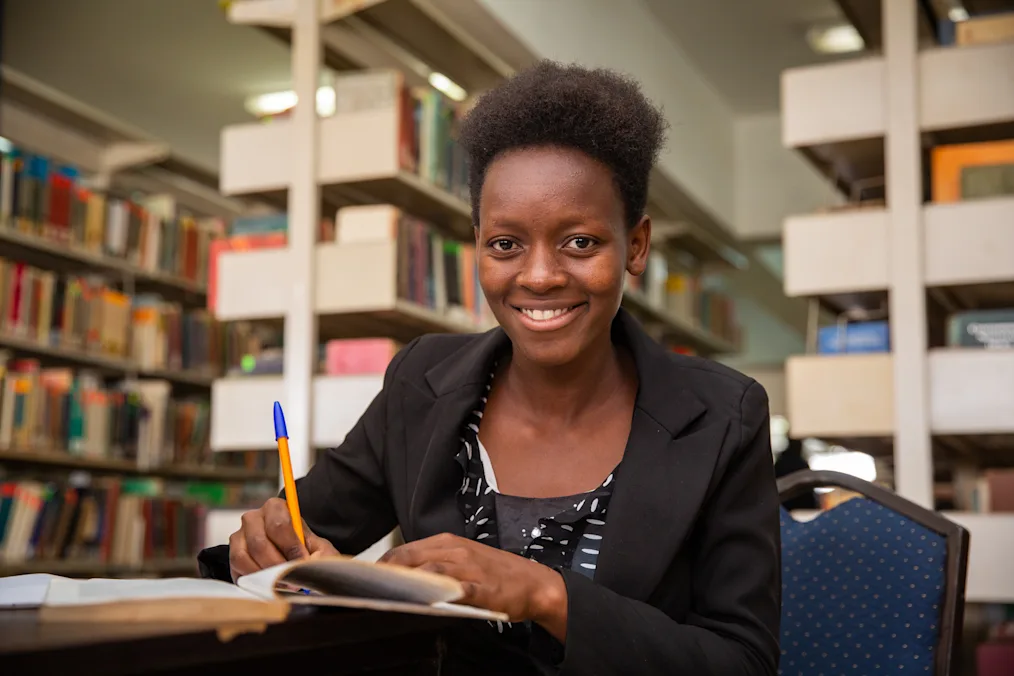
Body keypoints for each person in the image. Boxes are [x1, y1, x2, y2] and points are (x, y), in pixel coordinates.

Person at [220, 61, 781, 674]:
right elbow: (296, 544)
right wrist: (264, 549)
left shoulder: (724, 417)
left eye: (581, 242)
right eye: (505, 244)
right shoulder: (421, 383)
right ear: (479, 244)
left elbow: (743, 661)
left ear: (636, 246)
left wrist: (548, 596)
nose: (538, 276)